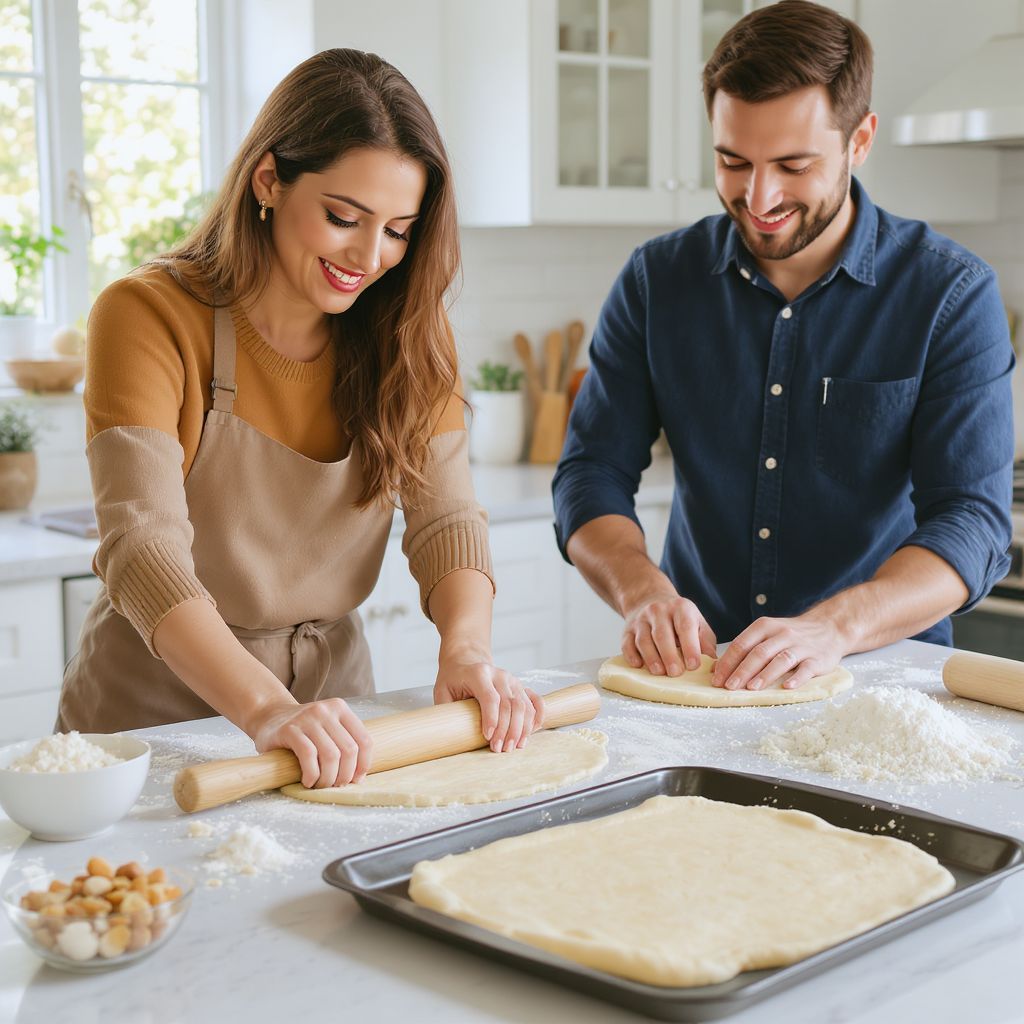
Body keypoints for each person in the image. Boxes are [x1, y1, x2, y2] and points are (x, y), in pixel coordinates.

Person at [58, 49, 543, 788]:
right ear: (269, 181)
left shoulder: (409, 335)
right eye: (344, 217)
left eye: (398, 230)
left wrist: (467, 650)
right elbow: (142, 551)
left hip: (332, 718)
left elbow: (446, 522)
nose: (370, 255)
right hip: (148, 729)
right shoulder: (148, 315)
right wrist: (264, 709)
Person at [552, 0, 1013, 693]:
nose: (758, 196)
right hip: (699, 678)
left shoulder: (950, 294)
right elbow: (591, 475)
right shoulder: (657, 282)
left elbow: (973, 523)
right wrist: (643, 593)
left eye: (793, 166)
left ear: (860, 142)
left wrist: (836, 628)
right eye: (733, 161)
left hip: (877, 684)